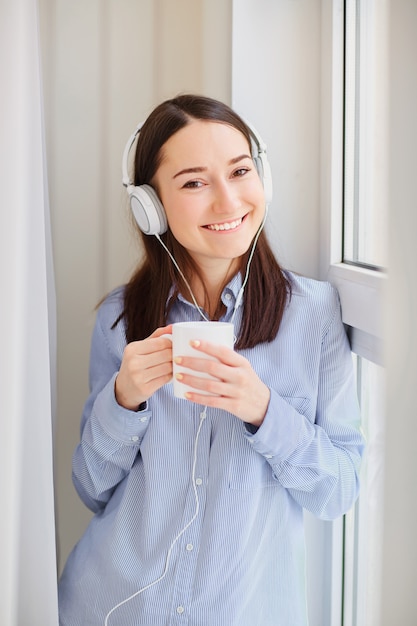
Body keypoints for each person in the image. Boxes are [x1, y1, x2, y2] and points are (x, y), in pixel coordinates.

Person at [58, 94, 365, 626]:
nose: (227, 202)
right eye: (195, 182)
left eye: (240, 171)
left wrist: (264, 410)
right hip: (111, 610)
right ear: (148, 205)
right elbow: (90, 488)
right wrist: (122, 400)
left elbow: (338, 491)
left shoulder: (315, 314)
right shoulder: (120, 318)